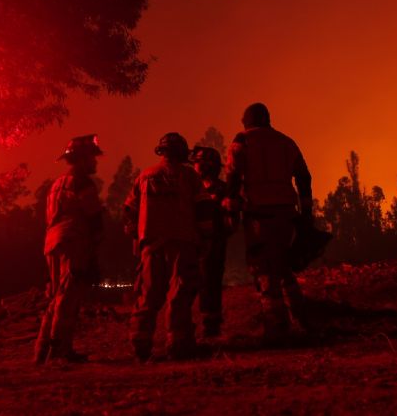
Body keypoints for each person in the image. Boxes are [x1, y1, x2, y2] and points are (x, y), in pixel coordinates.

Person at [224, 103, 313, 345]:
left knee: (263, 268)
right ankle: (303, 319)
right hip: (285, 213)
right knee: (283, 264)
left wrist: (230, 207)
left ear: (247, 121)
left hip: (257, 214)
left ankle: (276, 327)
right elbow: (304, 177)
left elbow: (232, 175)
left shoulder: (241, 141)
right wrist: (306, 212)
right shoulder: (286, 142)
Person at [124, 132, 201, 362]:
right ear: (181, 152)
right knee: (179, 293)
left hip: (151, 244)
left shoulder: (145, 176)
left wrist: (136, 237)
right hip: (182, 242)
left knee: (148, 293)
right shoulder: (189, 175)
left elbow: (129, 210)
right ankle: (178, 344)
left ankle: (140, 342)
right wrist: (205, 238)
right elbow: (204, 208)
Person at [35, 134, 104, 364]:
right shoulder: (82, 182)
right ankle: (59, 352)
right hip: (73, 241)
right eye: (92, 158)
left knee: (56, 297)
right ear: (82, 159)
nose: (95, 162)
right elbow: (94, 216)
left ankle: (42, 352)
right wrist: (95, 247)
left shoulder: (56, 184)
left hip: (52, 242)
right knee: (68, 298)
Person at [190, 146, 235, 337]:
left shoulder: (222, 190)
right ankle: (185, 325)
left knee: (210, 281)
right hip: (192, 243)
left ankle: (211, 325)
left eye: (198, 164)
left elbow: (231, 221)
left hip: (212, 245)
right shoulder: (191, 188)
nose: (195, 167)